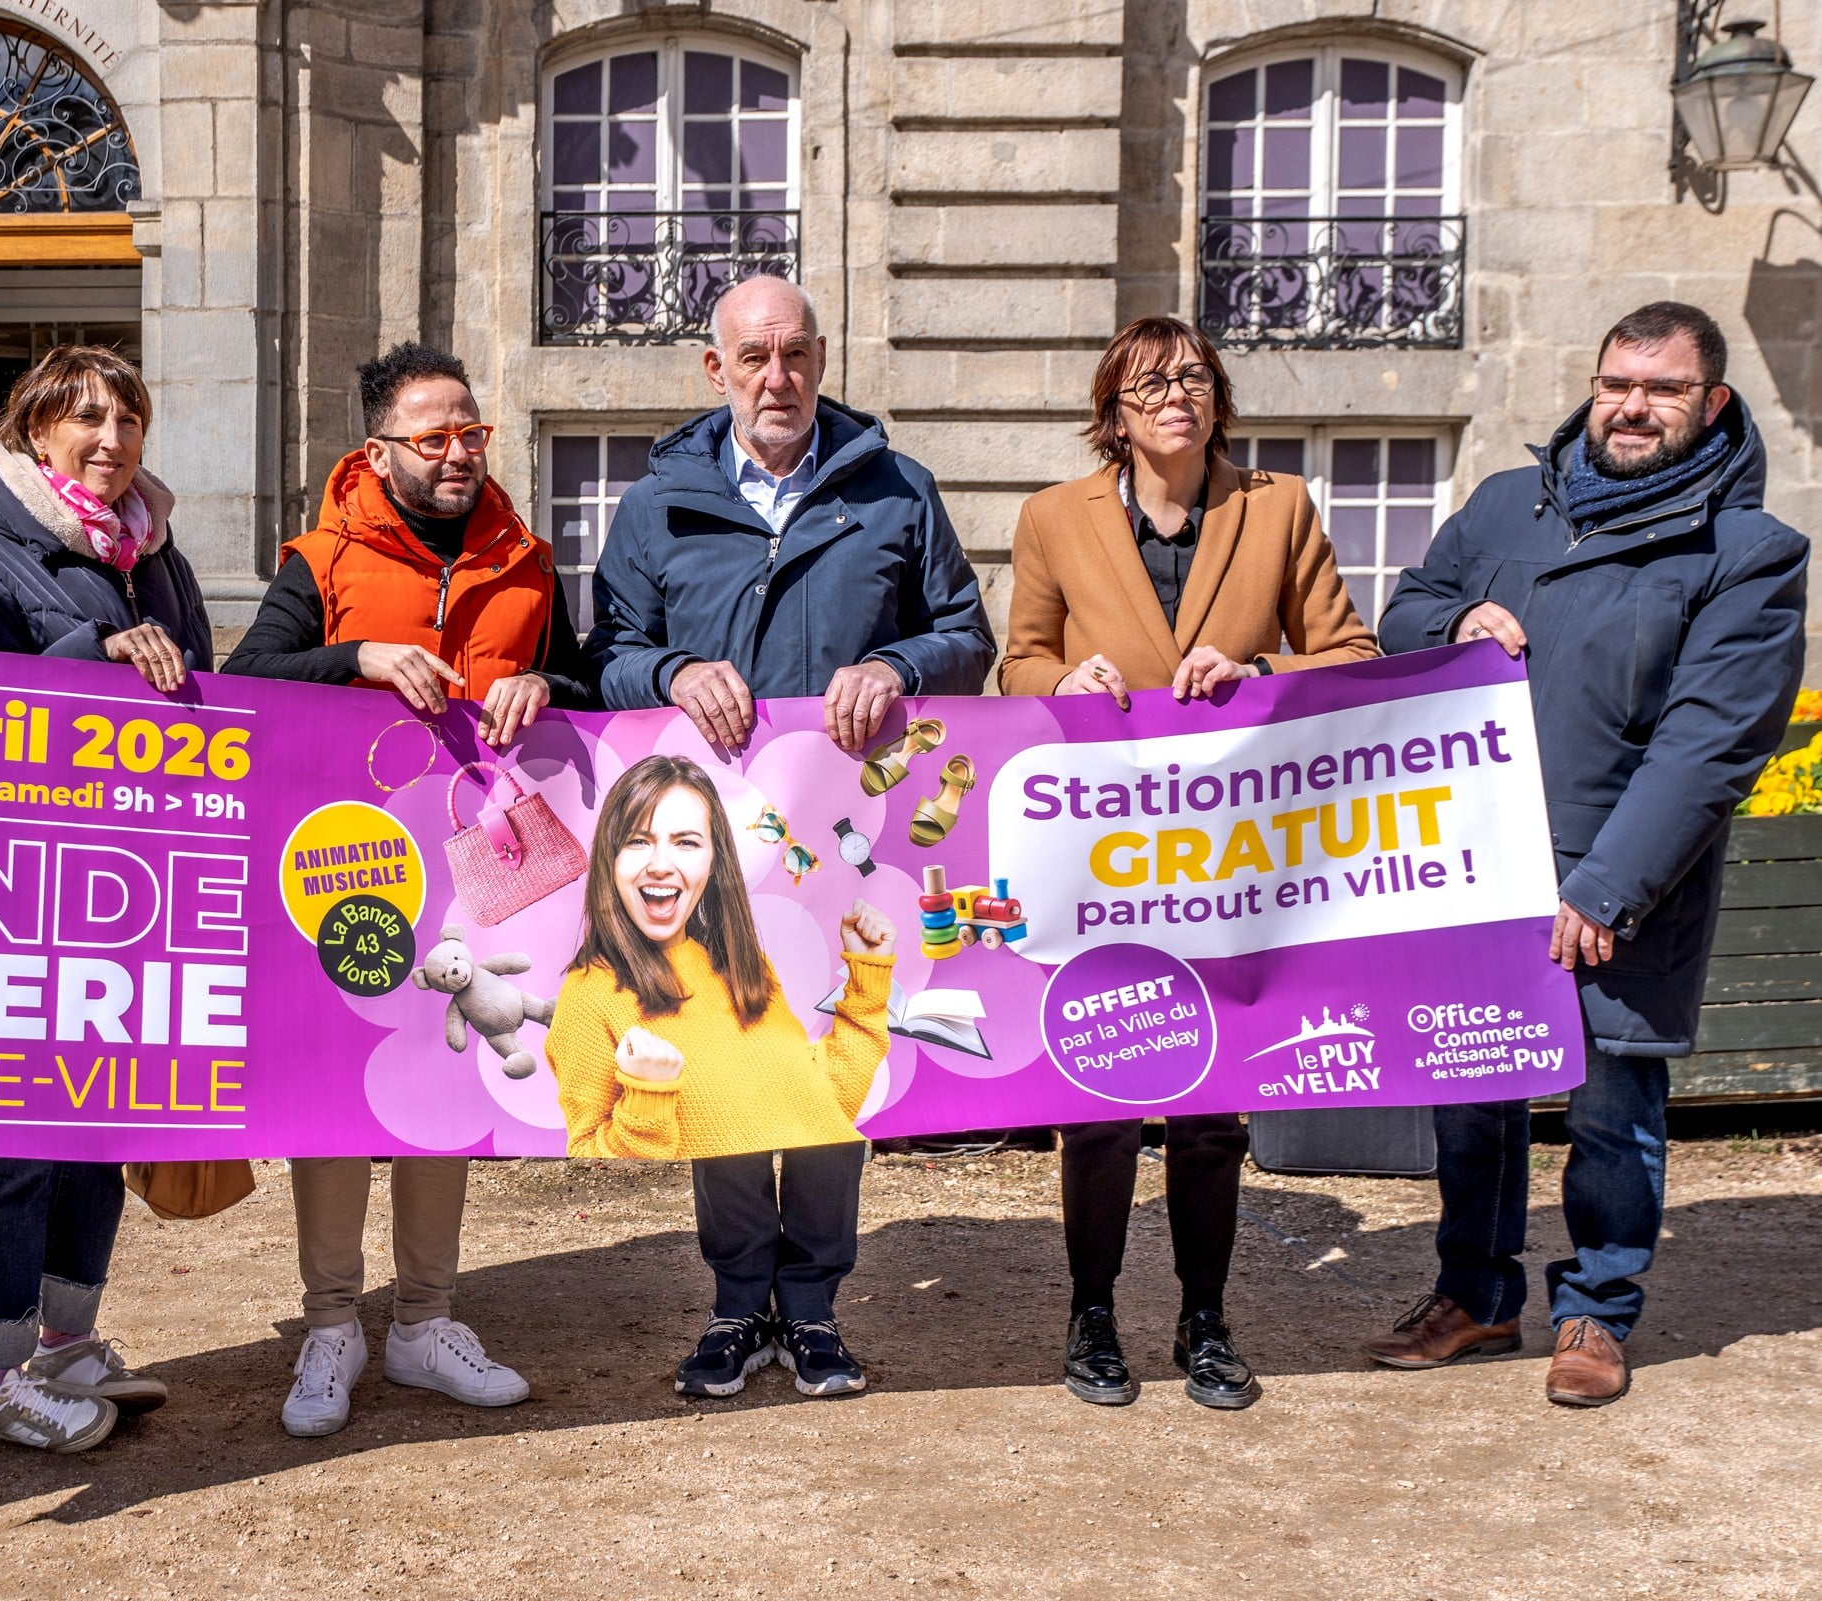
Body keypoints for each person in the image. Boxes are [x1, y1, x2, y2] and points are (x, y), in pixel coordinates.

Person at [1367, 302, 1806, 1406]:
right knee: (1473, 1088)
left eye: (1661, 388)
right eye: (1618, 381)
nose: (1631, 405)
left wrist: (1607, 884)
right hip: (1471, 864)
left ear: (1709, 404)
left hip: (1612, 879)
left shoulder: (1745, 553)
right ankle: (1474, 1293)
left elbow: (1711, 742)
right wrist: (1457, 615)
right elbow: (1402, 612)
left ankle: (1595, 1310)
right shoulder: (1511, 504)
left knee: (1613, 1106)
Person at [584, 273, 993, 1401]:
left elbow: (966, 635)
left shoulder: (894, 491)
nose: (779, 377)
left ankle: (811, 1307)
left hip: (843, 841)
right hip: (709, 844)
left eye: (797, 354)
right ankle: (733, 1302)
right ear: (713, 372)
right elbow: (604, 653)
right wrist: (669, 670)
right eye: (754, 357)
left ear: (820, 361)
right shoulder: (657, 502)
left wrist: (897, 664)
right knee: (721, 1057)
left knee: (822, 1068)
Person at [1001, 315, 1376, 1412]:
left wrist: (1258, 666)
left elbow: (1350, 652)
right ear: (1112, 410)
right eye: (1152, 382)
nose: (1178, 395)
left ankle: (1205, 1319)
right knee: (1104, 1098)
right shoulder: (1050, 518)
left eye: (1195, 377)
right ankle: (1092, 1312)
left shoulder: (1278, 507)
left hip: (1233, 853)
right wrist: (1057, 684)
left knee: (1216, 1103)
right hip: (1107, 853)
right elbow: (1016, 659)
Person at [225, 340, 584, 1437]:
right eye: (433, 437)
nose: (459, 453)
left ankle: (425, 1323)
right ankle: (332, 1325)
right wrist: (359, 657)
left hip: (477, 871)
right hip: (349, 873)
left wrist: (544, 677)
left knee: (445, 1077)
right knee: (338, 1092)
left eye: (471, 432)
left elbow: (592, 673)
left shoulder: (526, 560)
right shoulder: (321, 557)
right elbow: (243, 676)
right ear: (380, 451)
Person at [0, 345, 201, 1452]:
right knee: (10, 1136)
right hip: (18, 892)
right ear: (36, 433)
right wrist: (96, 649)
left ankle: (66, 1337)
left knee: (98, 1123)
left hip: (129, 884)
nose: (111, 439)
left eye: (128, 417)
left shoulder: (153, 549)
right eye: (85, 418)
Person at [550, 755, 898, 1174]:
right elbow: (592, 1166)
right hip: (703, 1236)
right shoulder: (589, 994)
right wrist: (647, 1097)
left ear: (714, 862)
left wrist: (867, 984)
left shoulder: (743, 967)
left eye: (687, 842)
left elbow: (817, 1111)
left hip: (818, 1230)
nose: (660, 863)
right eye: (638, 841)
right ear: (611, 859)